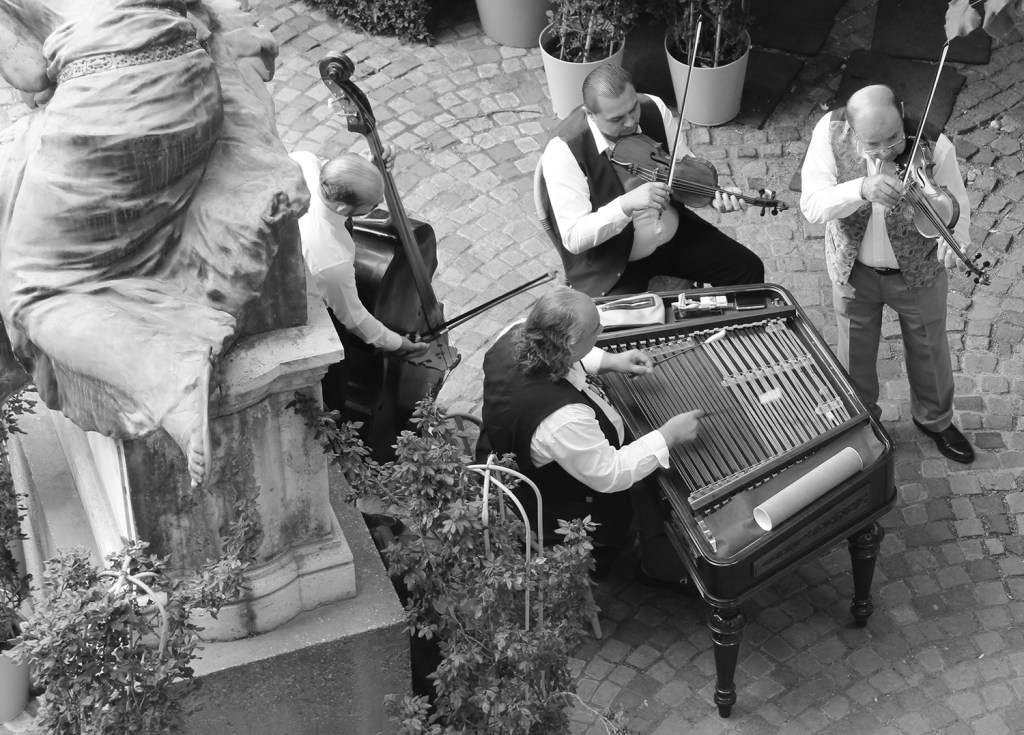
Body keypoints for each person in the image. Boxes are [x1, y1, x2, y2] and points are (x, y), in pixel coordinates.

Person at [0, 0, 306, 488]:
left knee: (31, 291)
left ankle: (171, 377)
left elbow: (33, 76)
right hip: (192, 87)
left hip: (116, 111)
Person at [481, 288, 704, 591]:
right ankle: (632, 563)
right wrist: (669, 435)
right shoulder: (563, 419)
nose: (602, 330)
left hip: (512, 443)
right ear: (570, 344)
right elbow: (610, 473)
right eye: (596, 329)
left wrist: (611, 361)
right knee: (643, 499)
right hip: (561, 498)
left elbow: (569, 356)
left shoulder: (518, 331)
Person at [800, 84, 974, 463]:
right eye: (873, 144)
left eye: (894, 137)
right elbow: (812, 204)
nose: (886, 151)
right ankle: (861, 423)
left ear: (903, 113)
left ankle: (936, 421)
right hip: (854, 268)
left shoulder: (935, 145)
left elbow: (956, 208)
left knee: (929, 349)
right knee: (854, 353)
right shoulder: (829, 132)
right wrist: (861, 188)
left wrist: (955, 244)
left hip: (919, 268)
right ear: (853, 131)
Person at [539, 64, 765, 298]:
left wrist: (710, 196)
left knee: (747, 270)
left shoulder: (653, 108)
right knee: (634, 321)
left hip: (673, 235)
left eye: (633, 108)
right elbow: (573, 237)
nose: (630, 122)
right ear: (590, 114)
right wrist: (625, 205)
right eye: (617, 119)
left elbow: (680, 168)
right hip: (614, 261)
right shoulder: (564, 150)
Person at [290, 147, 429, 411]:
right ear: (343, 208)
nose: (379, 206)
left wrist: (369, 168)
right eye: (374, 205)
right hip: (304, 308)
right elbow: (354, 319)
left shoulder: (304, 161)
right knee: (334, 384)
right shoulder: (331, 260)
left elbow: (338, 177)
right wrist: (399, 344)